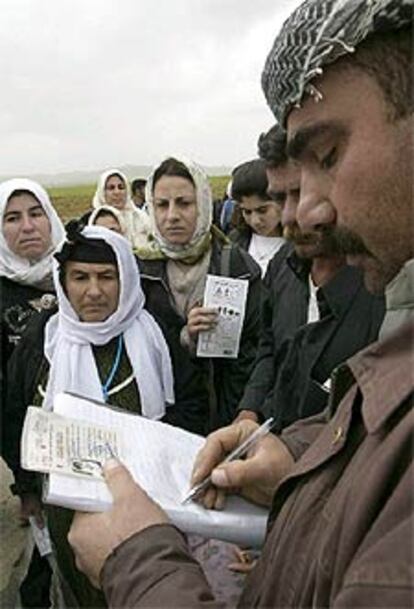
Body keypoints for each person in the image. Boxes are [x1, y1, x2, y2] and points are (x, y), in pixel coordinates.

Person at [67, 2, 413, 607]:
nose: (301, 214)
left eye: (328, 157)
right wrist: (297, 457)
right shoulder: (292, 277)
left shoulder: (297, 277)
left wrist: (142, 565)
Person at [5, 224, 174, 607]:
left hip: (144, 500)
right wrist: (27, 487)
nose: (94, 291)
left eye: (106, 277)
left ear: (126, 279)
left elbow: (188, 409)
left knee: (143, 586)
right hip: (64, 508)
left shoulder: (154, 335)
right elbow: (15, 415)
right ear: (62, 282)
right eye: (80, 277)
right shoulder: (43, 339)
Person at [235, 124, 384, 431]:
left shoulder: (384, 283)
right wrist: (249, 413)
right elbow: (269, 347)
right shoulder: (281, 266)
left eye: (301, 193)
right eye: (279, 198)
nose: (291, 216)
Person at [136, 155, 262, 434]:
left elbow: (255, 352)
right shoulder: (138, 270)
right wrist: (185, 337)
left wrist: (237, 421)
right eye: (161, 205)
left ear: (203, 204)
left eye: (184, 203)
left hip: (224, 417)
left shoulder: (238, 268)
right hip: (163, 423)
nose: (172, 216)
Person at [0, 177, 65, 609]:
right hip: (32, 456)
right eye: (12, 218)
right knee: (46, 568)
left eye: (36, 213)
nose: (27, 226)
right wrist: (24, 484)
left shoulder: (80, 273)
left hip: (90, 446)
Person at [229, 159, 285, 276]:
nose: (255, 221)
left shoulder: (302, 248)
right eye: (247, 212)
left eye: (262, 210)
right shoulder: (232, 244)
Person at [91, 169, 150, 250]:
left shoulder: (140, 217)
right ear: (102, 193)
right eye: (111, 188)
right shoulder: (96, 220)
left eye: (121, 187)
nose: (117, 192)